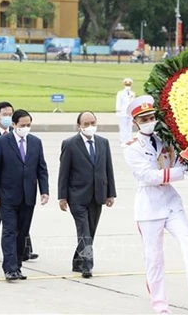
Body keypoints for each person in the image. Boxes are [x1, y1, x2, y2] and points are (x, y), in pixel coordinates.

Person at [123, 95, 188, 314]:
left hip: (171, 203)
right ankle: (160, 305)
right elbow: (149, 176)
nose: (149, 121)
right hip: (149, 207)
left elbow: (182, 161)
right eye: (144, 119)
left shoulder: (167, 139)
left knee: (187, 239)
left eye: (152, 117)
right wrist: (183, 172)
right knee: (154, 259)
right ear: (135, 122)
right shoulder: (131, 147)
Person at [0, 109, 49, 281]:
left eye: (28, 125)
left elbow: (41, 168)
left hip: (28, 196)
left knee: (22, 233)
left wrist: (44, 190)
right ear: (14, 125)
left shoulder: (36, 142)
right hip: (7, 196)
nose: (26, 128)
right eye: (22, 125)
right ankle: (9, 268)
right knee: (9, 231)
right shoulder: (1, 142)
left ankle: (18, 267)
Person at [57, 111, 116, 278]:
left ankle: (77, 261)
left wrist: (110, 193)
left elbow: (108, 168)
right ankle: (87, 265)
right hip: (77, 196)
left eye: (92, 122)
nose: (90, 126)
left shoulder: (103, 143)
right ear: (79, 126)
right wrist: (62, 197)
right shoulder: (69, 144)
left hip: (97, 195)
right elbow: (64, 172)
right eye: (86, 124)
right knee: (84, 231)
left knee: (90, 231)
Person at [0, 102, 38, 261]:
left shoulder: (19, 136)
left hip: (19, 189)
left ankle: (25, 250)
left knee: (20, 222)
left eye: (10, 114)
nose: (7, 117)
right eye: (4, 114)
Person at [116, 78, 135, 145]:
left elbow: (133, 103)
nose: (128, 87)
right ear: (124, 85)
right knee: (123, 127)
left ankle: (128, 139)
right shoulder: (120, 93)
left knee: (129, 127)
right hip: (123, 112)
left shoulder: (132, 93)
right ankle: (123, 140)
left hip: (130, 113)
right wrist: (118, 111)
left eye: (129, 85)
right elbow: (118, 103)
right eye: (127, 85)